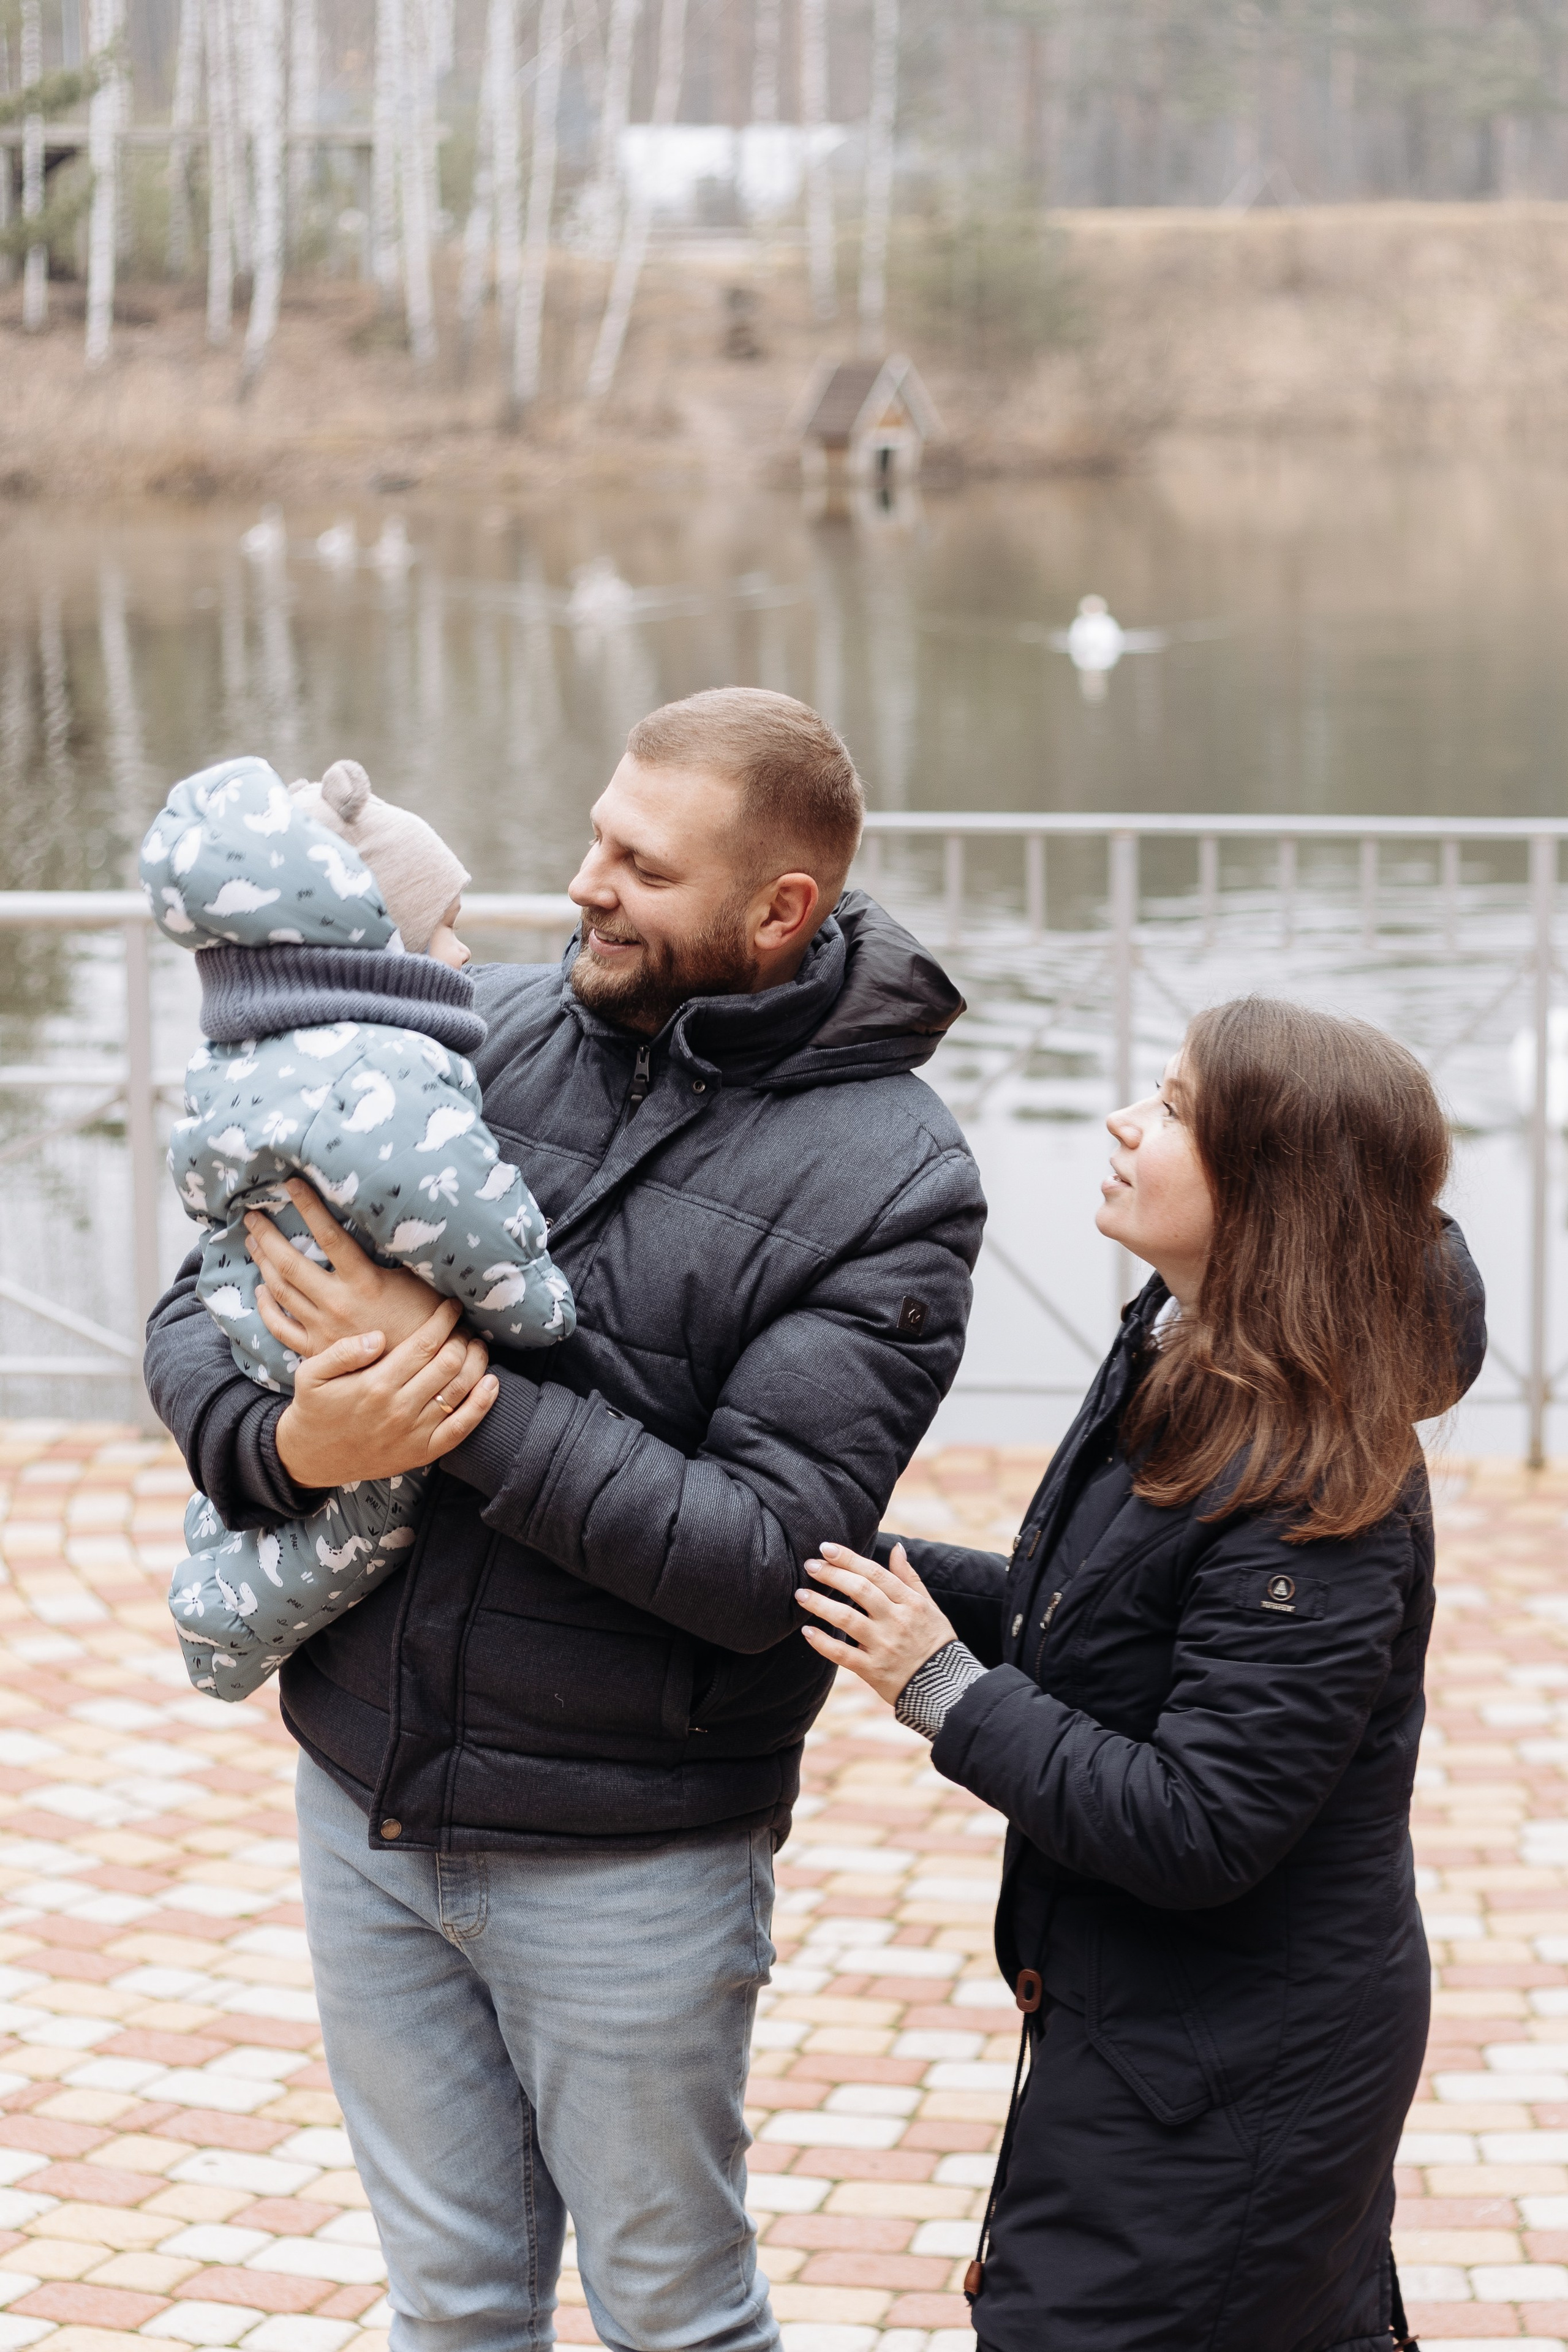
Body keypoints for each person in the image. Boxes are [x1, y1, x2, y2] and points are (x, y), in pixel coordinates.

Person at [143, 688, 987, 2352]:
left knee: (675, 2314)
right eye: (598, 838)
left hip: (632, 1859)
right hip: (366, 1800)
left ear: (779, 909)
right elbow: (200, 1303)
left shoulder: (897, 1181)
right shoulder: (478, 1020)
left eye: (643, 867)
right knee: (451, 2307)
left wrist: (452, 1403)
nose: (586, 883)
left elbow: (761, 1562)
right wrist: (300, 1440)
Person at [798, 997, 1485, 2352]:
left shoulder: (1313, 1478)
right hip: (1161, 2025)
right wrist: (852, 1566)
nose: (1122, 1124)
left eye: (1172, 1109)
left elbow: (1199, 1822)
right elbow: (1093, 1622)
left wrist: (939, 1685)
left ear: (1274, 1191)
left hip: (1237, 2064)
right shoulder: (1186, 1352)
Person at [142, 756, 573, 1701]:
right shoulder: (382, 1069)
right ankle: (221, 1632)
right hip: (328, 1339)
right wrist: (533, 1301)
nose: (465, 951)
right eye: (442, 926)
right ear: (380, 941)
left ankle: (218, 1578)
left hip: (261, 1307)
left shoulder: (260, 1048)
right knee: (369, 1517)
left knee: (285, 1508)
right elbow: (457, 1204)